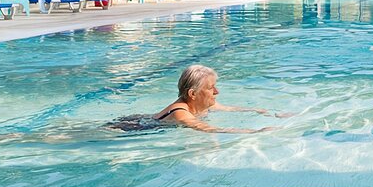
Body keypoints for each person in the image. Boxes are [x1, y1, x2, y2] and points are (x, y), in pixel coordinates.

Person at [109, 65, 285, 133]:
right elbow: (209, 129)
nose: (217, 91)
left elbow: (230, 109)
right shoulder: (181, 114)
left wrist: (271, 113)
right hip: (128, 128)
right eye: (210, 88)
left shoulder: (204, 105)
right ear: (193, 94)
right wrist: (256, 132)